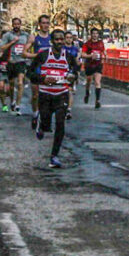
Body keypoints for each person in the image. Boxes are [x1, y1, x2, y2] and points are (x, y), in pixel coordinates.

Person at [28, 29, 78, 168]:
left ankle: (54, 156)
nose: (60, 42)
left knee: (60, 124)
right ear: (51, 41)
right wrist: (43, 78)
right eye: (56, 39)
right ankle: (41, 123)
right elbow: (30, 73)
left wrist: (72, 77)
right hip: (45, 95)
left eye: (61, 39)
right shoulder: (43, 55)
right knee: (46, 123)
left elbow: (75, 73)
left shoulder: (68, 57)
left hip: (61, 94)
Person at [24, 14, 53, 130]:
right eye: (43, 23)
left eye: (47, 23)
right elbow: (24, 53)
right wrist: (37, 55)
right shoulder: (34, 38)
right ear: (39, 24)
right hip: (37, 69)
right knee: (36, 95)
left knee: (49, 97)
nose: (45, 25)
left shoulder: (53, 38)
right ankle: (35, 114)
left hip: (49, 70)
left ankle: (46, 121)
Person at [0, 17, 29, 115]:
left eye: (18, 24)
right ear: (12, 25)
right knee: (11, 85)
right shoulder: (8, 35)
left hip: (21, 62)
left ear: (20, 25)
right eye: (15, 24)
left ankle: (18, 105)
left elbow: (30, 45)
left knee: (20, 83)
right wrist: (12, 42)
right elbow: (2, 47)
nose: (16, 26)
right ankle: (12, 101)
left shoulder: (25, 35)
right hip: (11, 62)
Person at [82, 28, 106, 108]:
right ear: (91, 34)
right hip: (89, 65)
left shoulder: (101, 43)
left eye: (96, 33)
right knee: (89, 81)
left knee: (97, 82)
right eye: (93, 33)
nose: (95, 35)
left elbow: (103, 51)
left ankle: (97, 100)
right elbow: (83, 54)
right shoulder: (87, 44)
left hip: (98, 65)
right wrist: (91, 56)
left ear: (98, 35)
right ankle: (87, 92)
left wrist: (105, 55)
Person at [63, 31, 80, 120]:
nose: (69, 39)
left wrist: (77, 72)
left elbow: (77, 61)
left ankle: (69, 110)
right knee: (62, 91)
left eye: (70, 37)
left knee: (69, 91)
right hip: (61, 72)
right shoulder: (61, 48)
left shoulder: (75, 49)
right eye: (67, 37)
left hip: (71, 72)